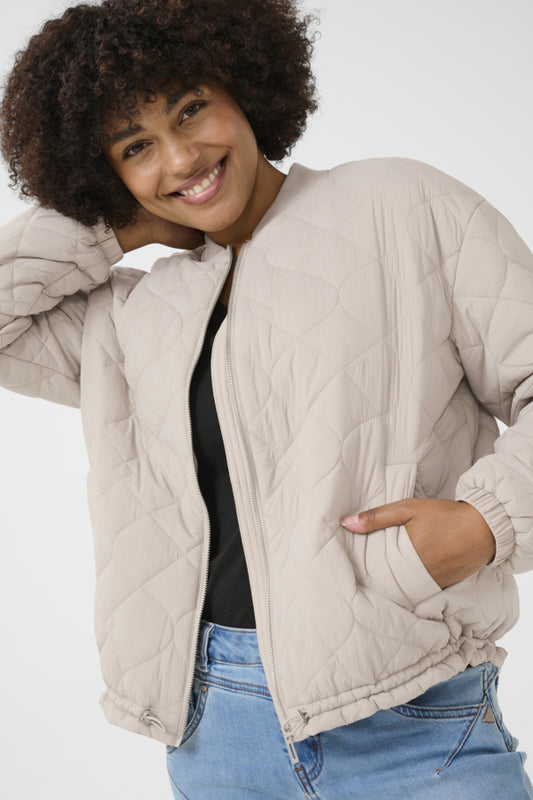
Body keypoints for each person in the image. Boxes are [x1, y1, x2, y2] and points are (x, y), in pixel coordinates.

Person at [1, 0, 532, 797]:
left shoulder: (398, 205)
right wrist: (114, 230)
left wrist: (486, 524)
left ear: (243, 85)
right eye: (135, 146)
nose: (181, 157)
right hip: (215, 736)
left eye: (191, 108)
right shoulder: (135, 314)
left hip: (412, 719)